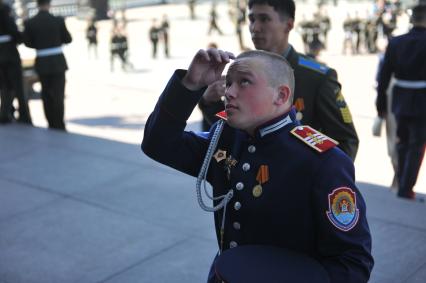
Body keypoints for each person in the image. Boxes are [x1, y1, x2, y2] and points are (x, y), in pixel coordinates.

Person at [142, 48, 374, 283]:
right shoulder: (225, 138)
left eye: (244, 82)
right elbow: (157, 144)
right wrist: (190, 83)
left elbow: (352, 260)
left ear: (281, 96)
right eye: (229, 82)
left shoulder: (322, 161)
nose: (229, 92)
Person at [198, 0, 359, 160]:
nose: (255, 27)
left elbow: (347, 141)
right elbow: (228, 135)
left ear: (288, 25)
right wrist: (210, 102)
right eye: (252, 19)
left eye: (264, 19)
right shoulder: (240, 72)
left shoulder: (317, 77)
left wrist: (318, 179)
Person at [376, 4, 426, 201]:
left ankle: (401, 183)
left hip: (400, 96)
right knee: (417, 144)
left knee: (402, 141)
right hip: (423, 97)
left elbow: (384, 77)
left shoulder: (396, 42)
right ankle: (406, 187)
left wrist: (380, 105)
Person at [23, 0, 72, 130]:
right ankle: (59, 123)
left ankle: (50, 122)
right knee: (58, 94)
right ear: (49, 4)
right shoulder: (58, 20)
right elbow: (68, 39)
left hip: (42, 61)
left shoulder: (30, 23)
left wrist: (40, 44)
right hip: (57, 61)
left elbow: (27, 42)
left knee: (46, 93)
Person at [0, 0, 32, 124]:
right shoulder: (4, 10)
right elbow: (13, 31)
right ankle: (23, 115)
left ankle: (5, 113)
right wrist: (21, 37)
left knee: (4, 86)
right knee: (18, 86)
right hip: (9, 53)